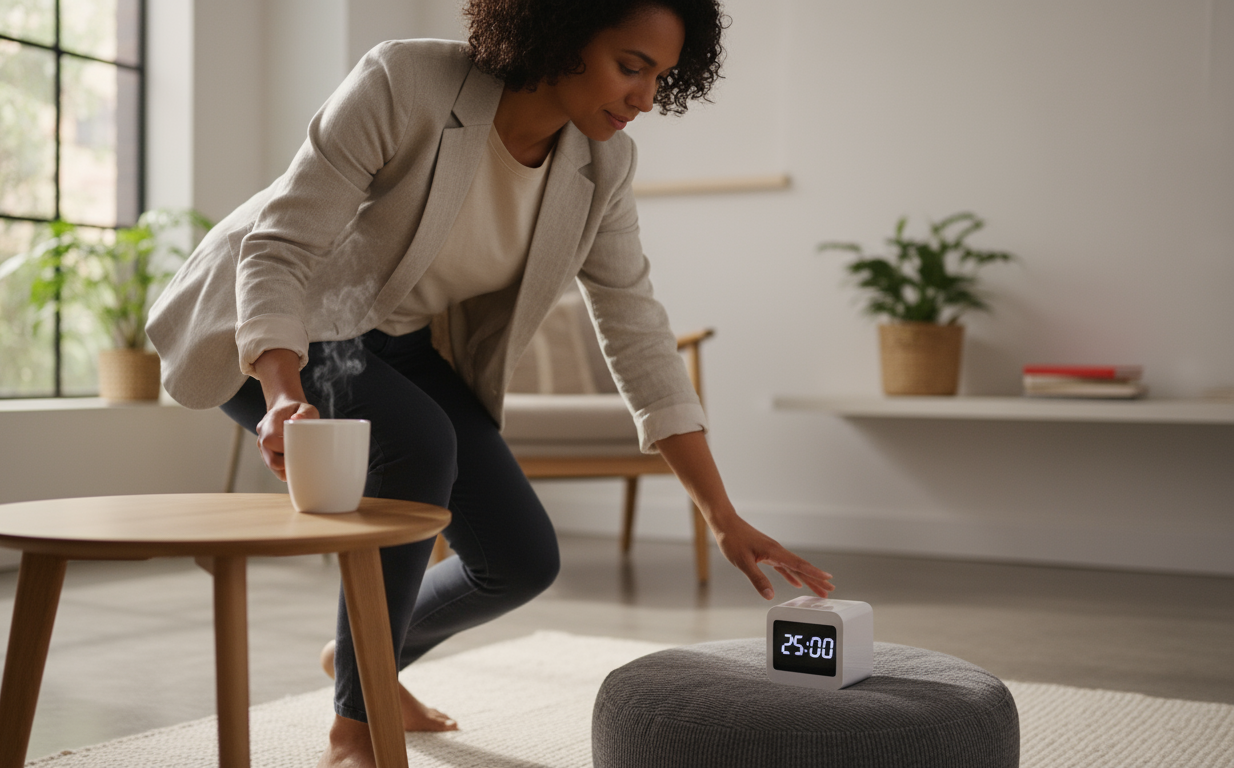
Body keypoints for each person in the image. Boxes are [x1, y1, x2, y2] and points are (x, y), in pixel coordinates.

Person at [147, 0, 835, 765]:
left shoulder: (601, 165)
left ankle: (363, 658)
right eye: (631, 67)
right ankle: (358, 727)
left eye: (661, 78)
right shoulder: (404, 80)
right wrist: (282, 391)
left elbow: (636, 329)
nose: (645, 99)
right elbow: (279, 246)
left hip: (397, 335)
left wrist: (721, 515)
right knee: (416, 442)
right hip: (278, 317)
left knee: (517, 559)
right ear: (563, 29)